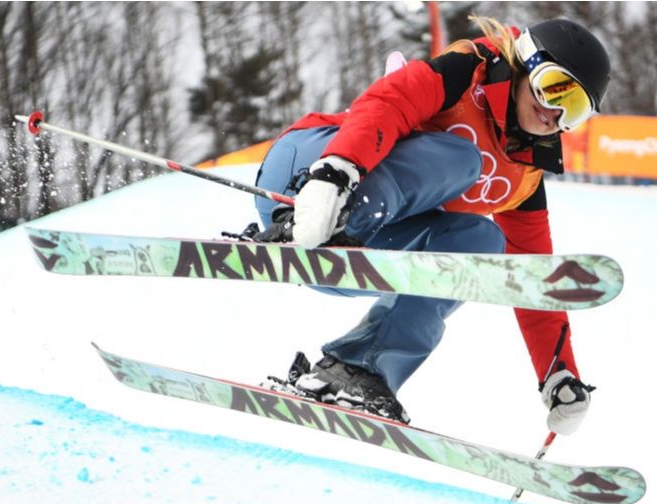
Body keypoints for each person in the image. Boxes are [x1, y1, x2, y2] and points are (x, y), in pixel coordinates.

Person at [253, 15, 610, 435]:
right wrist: (335, 173)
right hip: (309, 171)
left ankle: (358, 369)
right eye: (554, 88)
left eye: (575, 110)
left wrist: (559, 374)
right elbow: (388, 103)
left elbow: (529, 277)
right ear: (527, 63)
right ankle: (326, 220)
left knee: (482, 242)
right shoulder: (465, 72)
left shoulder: (524, 175)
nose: (555, 113)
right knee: (461, 158)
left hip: (359, 246)